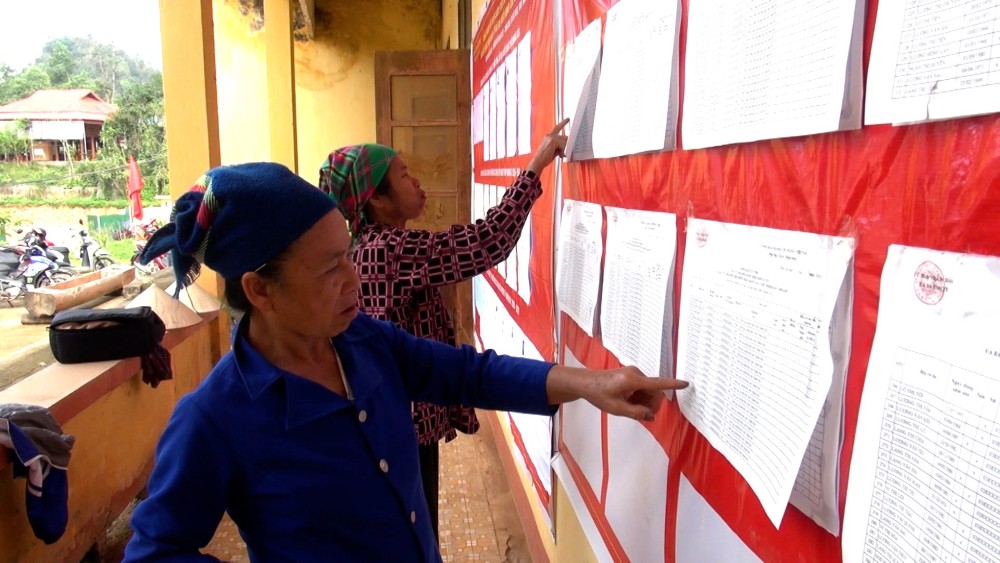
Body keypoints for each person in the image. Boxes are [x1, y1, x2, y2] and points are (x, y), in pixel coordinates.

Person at [123, 162, 688, 562]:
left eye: (348, 256)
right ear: (260, 290)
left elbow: (468, 374)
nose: (353, 280)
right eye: (329, 269)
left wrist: (590, 383)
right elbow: (155, 552)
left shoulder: (363, 342)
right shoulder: (214, 419)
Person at [318, 119, 569, 538]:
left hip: (395, 416)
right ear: (377, 199)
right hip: (401, 421)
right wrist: (537, 164)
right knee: (415, 530)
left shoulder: (372, 245)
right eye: (403, 175)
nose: (416, 181)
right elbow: (486, 242)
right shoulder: (390, 250)